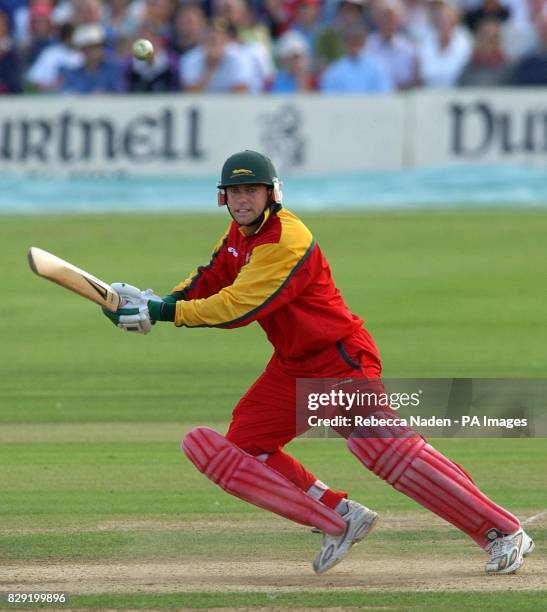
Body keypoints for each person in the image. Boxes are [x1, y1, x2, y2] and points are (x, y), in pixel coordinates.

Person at [103, 150, 535, 576]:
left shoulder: (285, 239)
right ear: (222, 198)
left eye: (251, 189)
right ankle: (341, 515)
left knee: (379, 446)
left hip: (339, 357)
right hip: (293, 367)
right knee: (245, 450)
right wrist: (158, 301)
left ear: (273, 193)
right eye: (233, 191)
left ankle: (503, 531)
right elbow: (210, 277)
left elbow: (237, 307)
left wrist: (162, 313)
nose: (242, 200)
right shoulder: (237, 236)